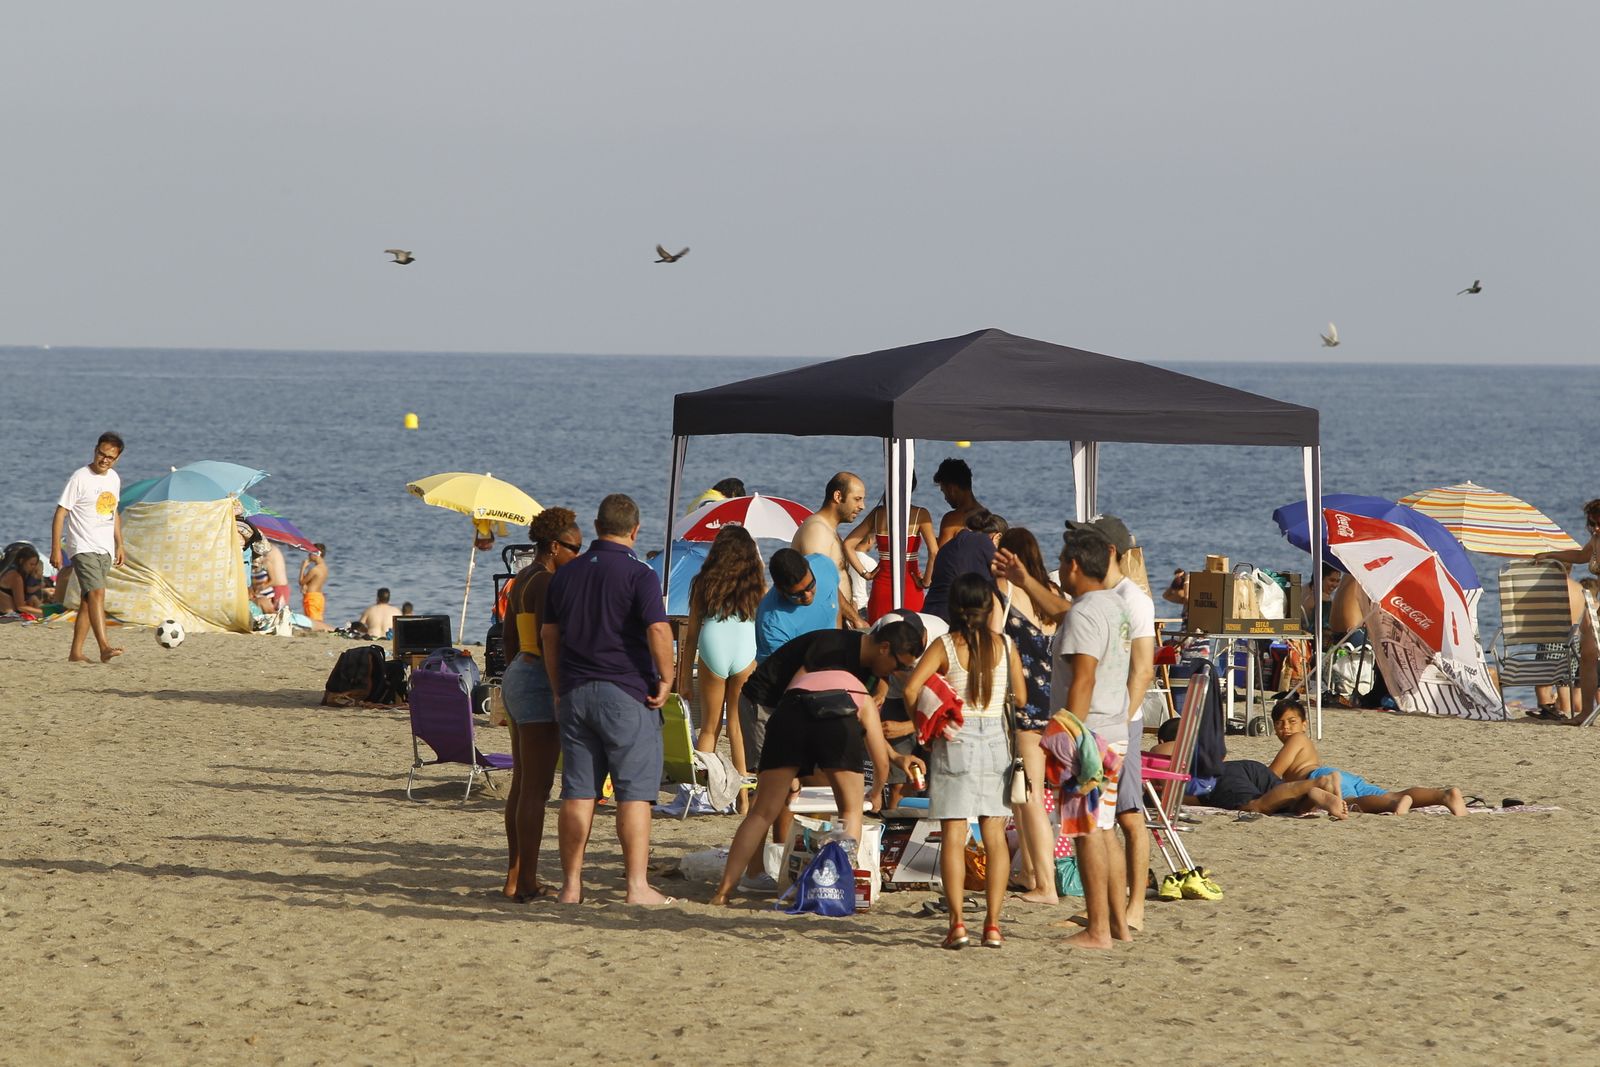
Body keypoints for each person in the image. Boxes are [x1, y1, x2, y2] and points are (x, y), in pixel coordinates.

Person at [708, 621, 927, 905]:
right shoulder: (835, 653)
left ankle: (723, 892)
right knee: (849, 811)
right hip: (766, 702)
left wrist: (795, 769)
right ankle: (835, 887)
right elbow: (874, 749)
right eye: (899, 665)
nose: (897, 674)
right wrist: (876, 793)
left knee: (762, 810)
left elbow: (802, 699)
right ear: (884, 648)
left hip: (789, 713)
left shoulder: (866, 672)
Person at [542, 494, 676, 906]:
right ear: (635, 531)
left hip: (577, 690)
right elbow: (657, 630)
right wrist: (668, 678)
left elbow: (549, 635)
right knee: (633, 794)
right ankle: (636, 886)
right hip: (625, 690)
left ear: (598, 527)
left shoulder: (566, 573)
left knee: (578, 792)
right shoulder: (641, 574)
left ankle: (570, 886)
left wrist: (556, 685)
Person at [902, 573, 1025, 949]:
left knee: (954, 836)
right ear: (988, 607)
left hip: (954, 737)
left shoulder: (945, 645)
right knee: (994, 836)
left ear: (954, 607)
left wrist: (923, 722)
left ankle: (957, 924)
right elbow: (1019, 697)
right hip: (994, 742)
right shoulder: (1004, 645)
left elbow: (910, 687)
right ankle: (992, 924)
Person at [1064, 516, 1155, 930]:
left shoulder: (1131, 600)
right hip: (1113, 722)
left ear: (1108, 552)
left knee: (1126, 817)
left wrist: (1119, 720)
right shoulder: (1109, 598)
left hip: (1115, 722)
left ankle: (1132, 909)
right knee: (1108, 821)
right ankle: (1115, 915)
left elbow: (1142, 670)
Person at [1047, 527, 1134, 949]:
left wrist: (1065, 732)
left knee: (1085, 832)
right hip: (1114, 728)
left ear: (1074, 565)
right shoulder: (1114, 605)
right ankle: (1116, 924)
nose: (1060, 569)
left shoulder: (1083, 612)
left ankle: (1098, 929)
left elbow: (1083, 679)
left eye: (1063, 562)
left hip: (1091, 734)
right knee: (1103, 829)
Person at [500, 507, 582, 902]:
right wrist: (557, 688)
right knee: (536, 789)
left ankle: (516, 876)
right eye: (574, 549)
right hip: (538, 679)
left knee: (521, 785)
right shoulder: (548, 582)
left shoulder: (521, 579)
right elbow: (556, 640)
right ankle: (527, 882)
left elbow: (508, 637)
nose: (577, 556)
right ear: (554, 546)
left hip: (518, 672)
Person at [987, 528, 1062, 903]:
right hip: (1059, 702)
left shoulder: (1005, 591)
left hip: (1023, 703)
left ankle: (1045, 884)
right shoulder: (1054, 593)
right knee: (1025, 792)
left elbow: (990, 642)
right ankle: (1031, 871)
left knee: (1029, 793)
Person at [1268, 696, 1468, 815]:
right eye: (1280, 723)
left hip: (1321, 778)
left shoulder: (1297, 739)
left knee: (1354, 802)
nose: (1285, 728)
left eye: (1291, 722)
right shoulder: (1302, 741)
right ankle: (1444, 795)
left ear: (1304, 724)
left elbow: (1271, 775)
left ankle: (1395, 804)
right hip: (1341, 776)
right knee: (1391, 793)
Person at [676, 524, 764, 780]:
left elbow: (691, 636)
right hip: (744, 646)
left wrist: (683, 680)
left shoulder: (704, 582)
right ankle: (743, 799)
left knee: (710, 726)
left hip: (714, 642)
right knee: (736, 726)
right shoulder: (756, 582)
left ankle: (703, 791)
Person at [1149, 719, 1349, 819]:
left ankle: (1317, 783)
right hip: (1248, 767)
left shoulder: (1159, 751)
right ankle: (1312, 792)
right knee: (1290, 806)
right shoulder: (1198, 745)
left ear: (1162, 739)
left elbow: (1167, 791)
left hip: (1220, 780)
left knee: (1256, 805)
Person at [52, 432, 125, 663]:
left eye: (110, 457)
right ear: (95, 450)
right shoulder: (80, 477)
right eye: (101, 454)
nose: (104, 460)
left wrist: (119, 544)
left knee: (88, 599)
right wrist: (55, 548)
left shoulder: (114, 478)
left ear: (117, 458)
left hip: (105, 548)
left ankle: (76, 653)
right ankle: (104, 647)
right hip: (82, 545)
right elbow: (61, 512)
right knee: (97, 593)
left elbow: (114, 513)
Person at [1533, 498, 1600, 724]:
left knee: (1590, 654)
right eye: (1592, 524)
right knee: (1588, 655)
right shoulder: (1595, 540)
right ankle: (1585, 713)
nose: (1595, 528)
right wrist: (1551, 555)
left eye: (1599, 523)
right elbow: (1580, 557)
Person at [841, 478, 940, 622]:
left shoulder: (878, 514)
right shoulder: (920, 514)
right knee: (912, 633)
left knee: (880, 633)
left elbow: (848, 544)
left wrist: (866, 574)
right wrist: (926, 581)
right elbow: (934, 552)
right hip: (910, 585)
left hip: (881, 585)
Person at [791, 471, 868, 628]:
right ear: (838, 497)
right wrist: (855, 618)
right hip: (822, 627)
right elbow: (820, 582)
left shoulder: (830, 530)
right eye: (857, 499)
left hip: (837, 623)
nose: (862, 506)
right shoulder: (816, 530)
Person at [754, 548, 841, 663]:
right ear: (780, 590)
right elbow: (787, 672)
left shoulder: (824, 564)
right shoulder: (772, 625)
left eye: (811, 585)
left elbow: (834, 592)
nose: (807, 595)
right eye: (797, 594)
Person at [923, 509, 1004, 622]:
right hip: (951, 618)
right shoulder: (983, 541)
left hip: (929, 614)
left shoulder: (946, 548)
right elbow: (1004, 577)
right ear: (997, 537)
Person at [932, 457, 984, 546]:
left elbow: (941, 557)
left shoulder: (952, 520)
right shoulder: (988, 518)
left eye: (944, 491)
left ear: (952, 489)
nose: (945, 498)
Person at [0, 544, 45, 615]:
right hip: (6, 614)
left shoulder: (12, 571)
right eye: (31, 564)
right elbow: (20, 607)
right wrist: (44, 613)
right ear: (21, 561)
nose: (33, 568)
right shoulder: (15, 577)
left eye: (35, 565)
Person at [298, 543, 330, 631]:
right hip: (319, 597)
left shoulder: (315, 570)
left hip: (311, 597)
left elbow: (301, 582)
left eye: (310, 553)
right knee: (318, 619)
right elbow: (313, 582)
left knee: (313, 621)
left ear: (317, 554)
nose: (309, 555)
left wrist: (303, 568)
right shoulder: (325, 568)